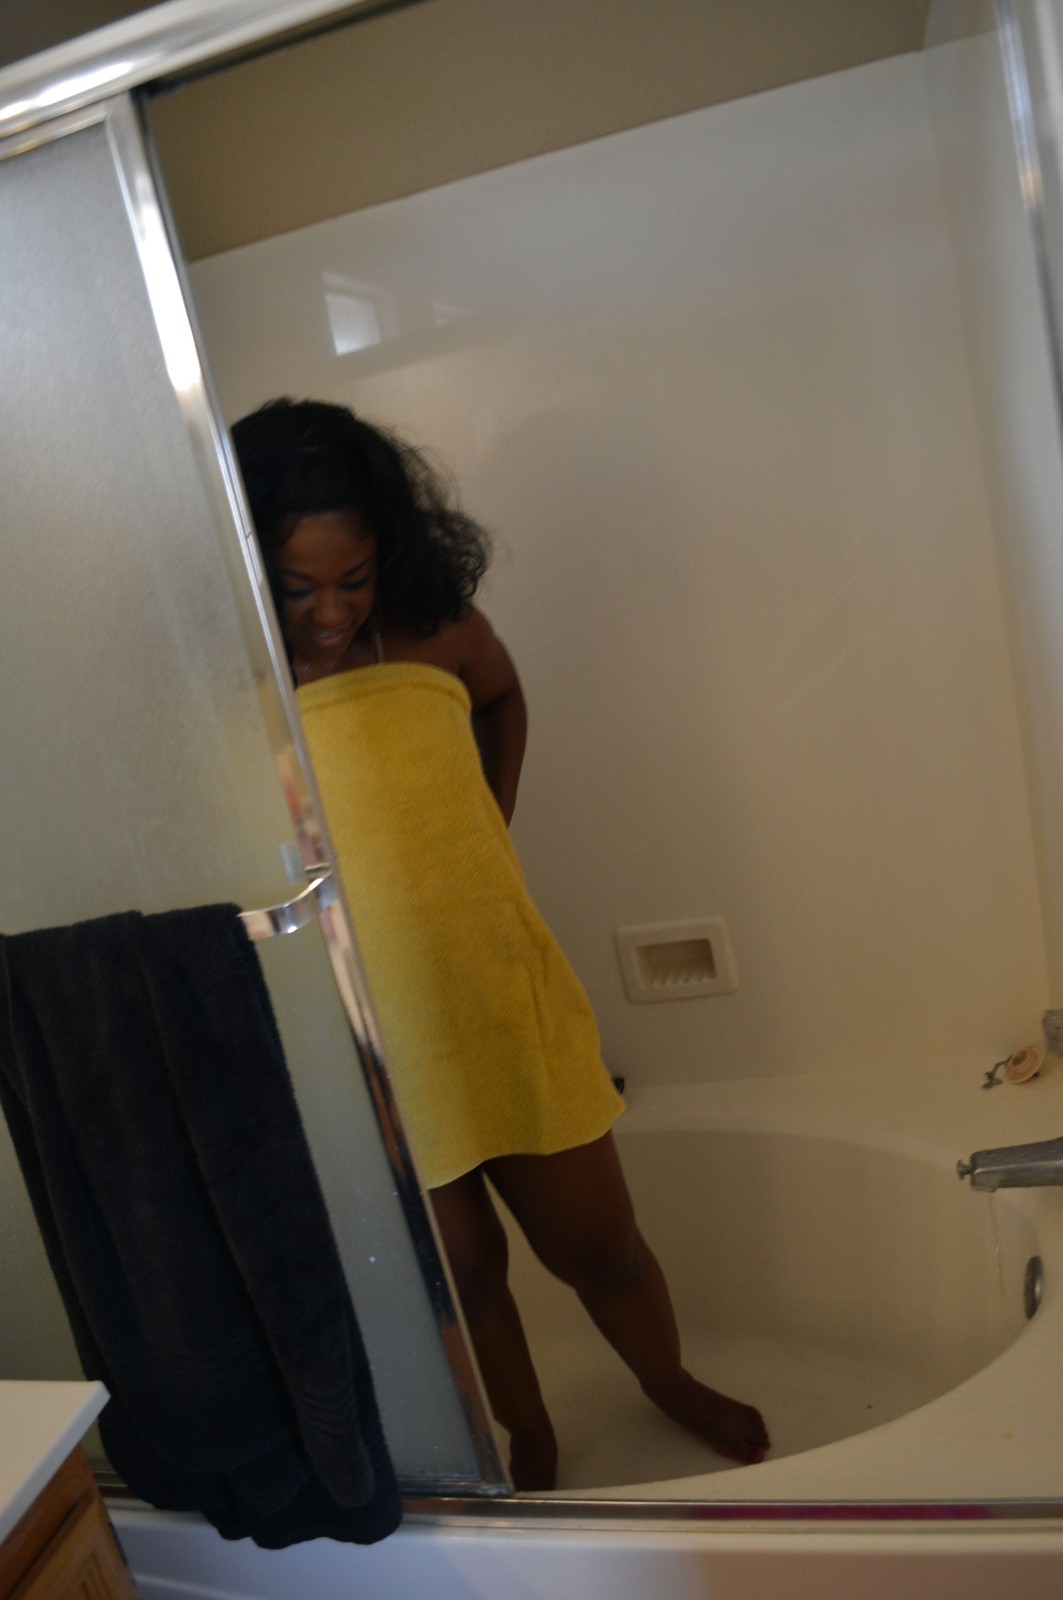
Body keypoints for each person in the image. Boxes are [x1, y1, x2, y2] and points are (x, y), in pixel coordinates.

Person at [231, 397, 770, 1490]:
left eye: (354, 578)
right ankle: (529, 1440)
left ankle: (668, 1382)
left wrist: (491, 815)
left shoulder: (440, 633)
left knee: (602, 1249)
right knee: (466, 1273)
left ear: (390, 546)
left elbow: (503, 694)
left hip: (496, 994)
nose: (330, 611)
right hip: (371, 1033)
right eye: (297, 586)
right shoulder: (240, 687)